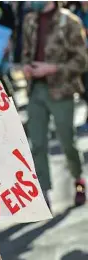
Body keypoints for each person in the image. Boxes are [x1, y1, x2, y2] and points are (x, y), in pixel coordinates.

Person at [22, 1, 88, 207]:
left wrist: (52, 68)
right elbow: (26, 52)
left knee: (67, 141)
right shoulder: (30, 20)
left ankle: (78, 180)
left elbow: (81, 61)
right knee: (38, 143)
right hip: (36, 90)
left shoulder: (70, 21)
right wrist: (27, 67)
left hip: (61, 90)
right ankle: (44, 190)